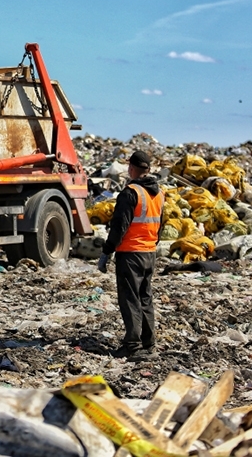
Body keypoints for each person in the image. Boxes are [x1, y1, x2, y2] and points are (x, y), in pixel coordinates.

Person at [97, 150, 164, 361]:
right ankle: (148, 344)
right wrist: (152, 243)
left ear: (132, 168)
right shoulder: (159, 193)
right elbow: (160, 225)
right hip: (149, 252)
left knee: (130, 300)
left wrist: (107, 252)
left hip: (131, 253)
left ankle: (133, 346)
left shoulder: (130, 193)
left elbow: (119, 227)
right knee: (145, 298)